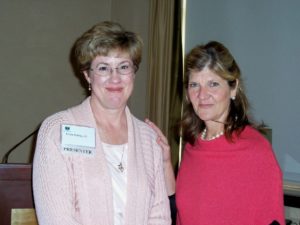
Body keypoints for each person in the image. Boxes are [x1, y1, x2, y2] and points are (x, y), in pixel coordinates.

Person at [32, 21, 171, 225]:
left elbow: (159, 216)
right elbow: (56, 219)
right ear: (88, 75)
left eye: (123, 67)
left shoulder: (149, 139)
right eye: (104, 68)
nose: (115, 78)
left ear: (134, 73)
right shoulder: (56, 131)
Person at [151, 41, 285, 225]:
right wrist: (166, 163)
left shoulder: (256, 151)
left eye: (213, 84)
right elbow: (181, 212)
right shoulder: (193, 146)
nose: (202, 94)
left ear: (233, 88)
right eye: (194, 85)